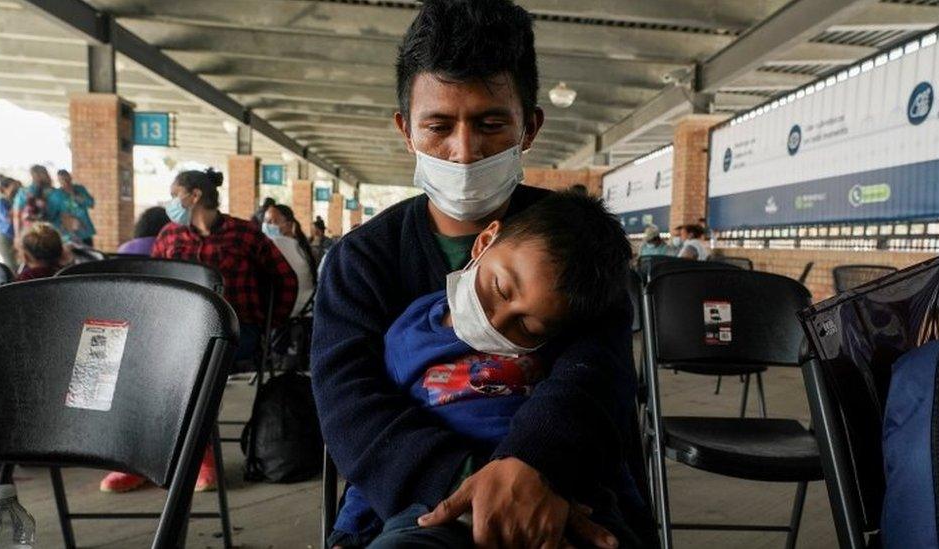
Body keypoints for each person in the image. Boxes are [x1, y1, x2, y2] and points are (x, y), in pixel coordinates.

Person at [311, 1, 653, 547]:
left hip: (564, 489)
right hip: (418, 500)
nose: (464, 151)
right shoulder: (363, 260)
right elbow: (350, 404)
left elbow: (596, 376)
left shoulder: (578, 243)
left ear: (530, 127)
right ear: (406, 130)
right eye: (439, 126)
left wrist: (533, 467)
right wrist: (475, 483)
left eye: (491, 124)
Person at [330, 192, 641, 547]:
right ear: (484, 243)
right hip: (432, 509)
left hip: (553, 501)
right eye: (500, 288)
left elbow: (594, 408)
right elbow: (372, 432)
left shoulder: (568, 334)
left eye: (528, 328)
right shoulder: (409, 331)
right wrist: (350, 531)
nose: (497, 322)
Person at [99, 168, 298, 494]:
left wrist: (269, 324)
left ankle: (196, 452)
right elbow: (153, 290)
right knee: (133, 360)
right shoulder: (169, 237)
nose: (171, 201)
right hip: (176, 331)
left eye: (175, 192)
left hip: (234, 332)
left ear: (193, 196)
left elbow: (285, 279)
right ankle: (137, 457)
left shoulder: (244, 234)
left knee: (194, 361)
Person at [262, 204, 317, 318]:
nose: (266, 226)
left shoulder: (277, 243)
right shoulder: (300, 246)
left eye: (272, 221)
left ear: (288, 225)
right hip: (305, 313)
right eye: (265, 221)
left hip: (287, 316)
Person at [12, 165, 73, 239]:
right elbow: (66, 217)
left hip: (30, 234)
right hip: (54, 234)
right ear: (47, 176)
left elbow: (16, 216)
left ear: (32, 176)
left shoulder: (23, 193)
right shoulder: (58, 194)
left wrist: (17, 236)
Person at [56, 169, 96, 246]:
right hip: (68, 234)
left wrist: (76, 196)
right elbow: (55, 213)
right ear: (59, 181)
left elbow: (91, 204)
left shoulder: (80, 189)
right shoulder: (58, 194)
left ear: (70, 178)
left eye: (67, 179)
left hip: (85, 232)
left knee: (89, 255)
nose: (65, 182)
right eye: (62, 180)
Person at [0, 176, 20, 271]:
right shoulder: (0, 201)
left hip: (12, 237)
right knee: (11, 266)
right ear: (4, 188)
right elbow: (7, 218)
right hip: (3, 237)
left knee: (18, 265)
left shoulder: (12, 200)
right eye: (13, 188)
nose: (16, 190)